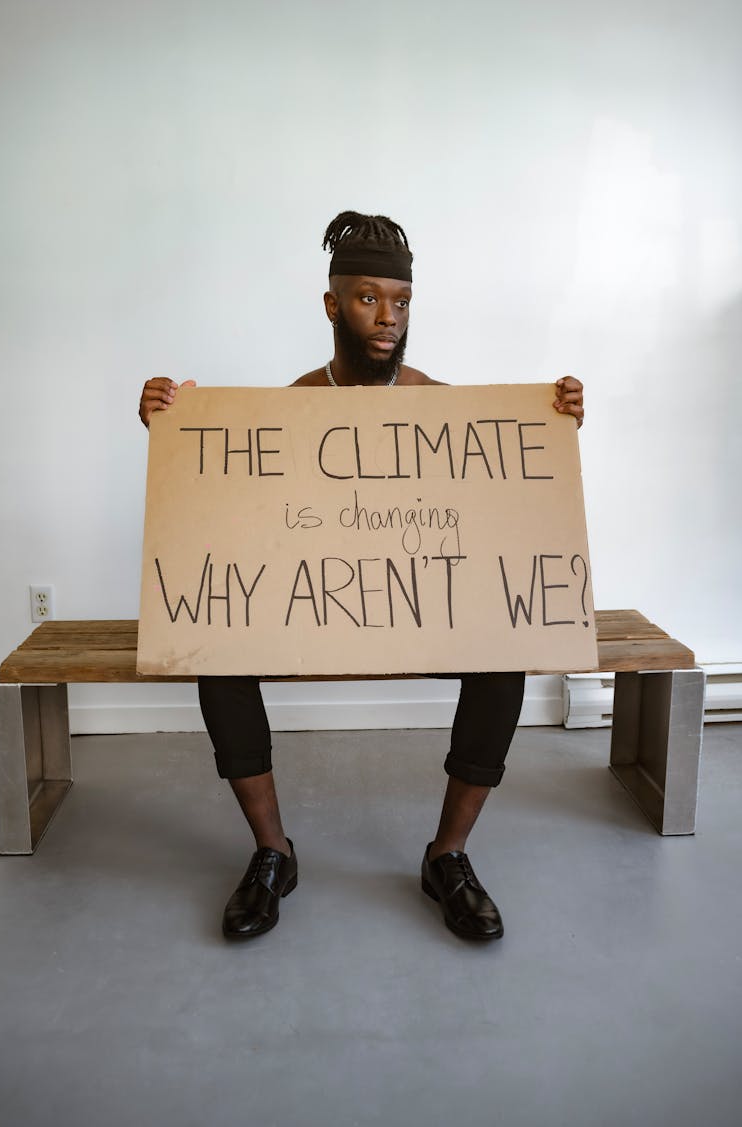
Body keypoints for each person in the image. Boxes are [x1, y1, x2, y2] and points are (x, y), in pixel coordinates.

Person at [139, 211, 584, 943]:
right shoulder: (293, 406)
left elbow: (509, 504)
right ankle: (273, 852)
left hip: (416, 615)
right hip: (318, 615)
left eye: (400, 302)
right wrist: (167, 425)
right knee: (213, 658)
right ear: (332, 305)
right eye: (368, 298)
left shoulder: (442, 404)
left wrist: (555, 423)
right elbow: (229, 505)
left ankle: (449, 856)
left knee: (505, 662)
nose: (387, 318)